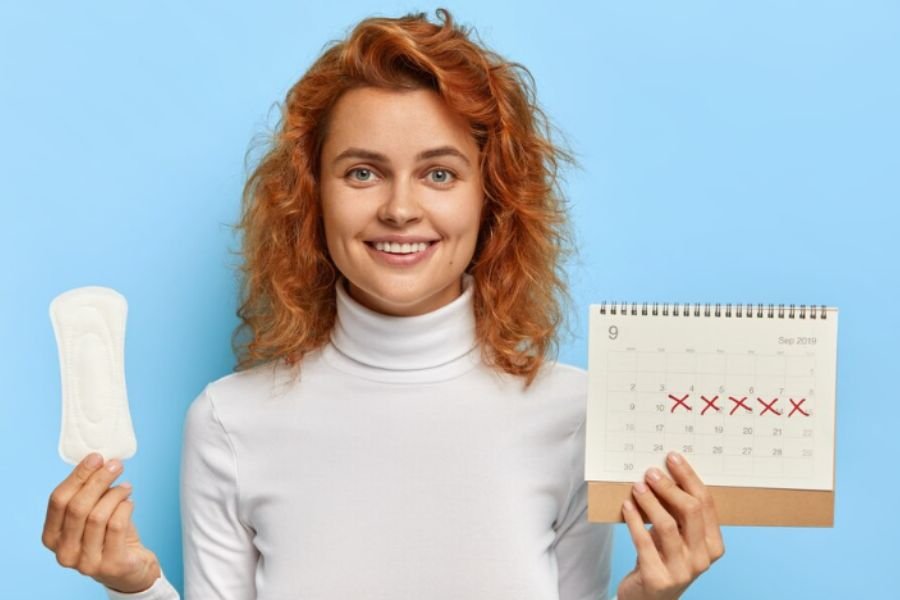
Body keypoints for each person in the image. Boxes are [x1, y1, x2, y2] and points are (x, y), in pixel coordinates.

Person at [42, 8, 724, 599]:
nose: (400, 209)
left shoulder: (573, 417)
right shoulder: (229, 423)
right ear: (313, 194)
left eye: (439, 173)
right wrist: (134, 589)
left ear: (492, 199)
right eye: (363, 172)